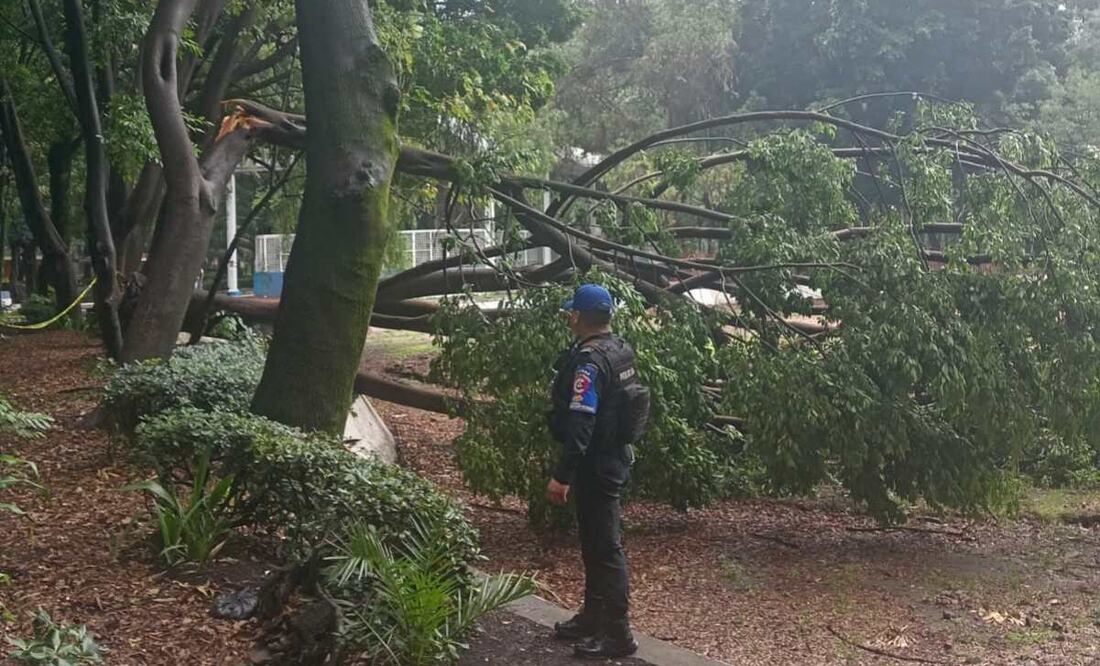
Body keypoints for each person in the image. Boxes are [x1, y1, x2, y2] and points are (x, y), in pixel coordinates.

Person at [546, 283, 650, 660]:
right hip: (613, 457)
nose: (567, 316)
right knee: (593, 542)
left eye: (570, 311)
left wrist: (563, 474)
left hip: (596, 464)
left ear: (577, 316)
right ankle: (592, 617)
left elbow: (581, 423)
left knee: (605, 547)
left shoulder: (589, 363)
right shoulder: (620, 349)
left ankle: (618, 634)